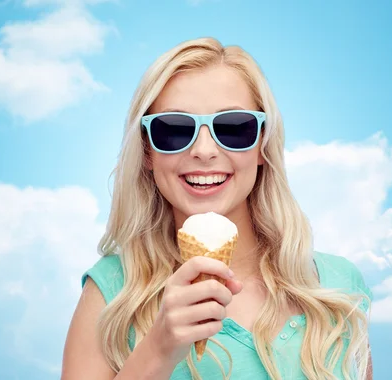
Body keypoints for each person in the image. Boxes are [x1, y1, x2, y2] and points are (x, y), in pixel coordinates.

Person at [61, 37, 373, 380]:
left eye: (234, 128)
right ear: (147, 152)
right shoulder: (111, 292)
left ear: (262, 145)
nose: (204, 150)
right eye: (174, 130)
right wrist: (158, 349)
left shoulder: (338, 287)